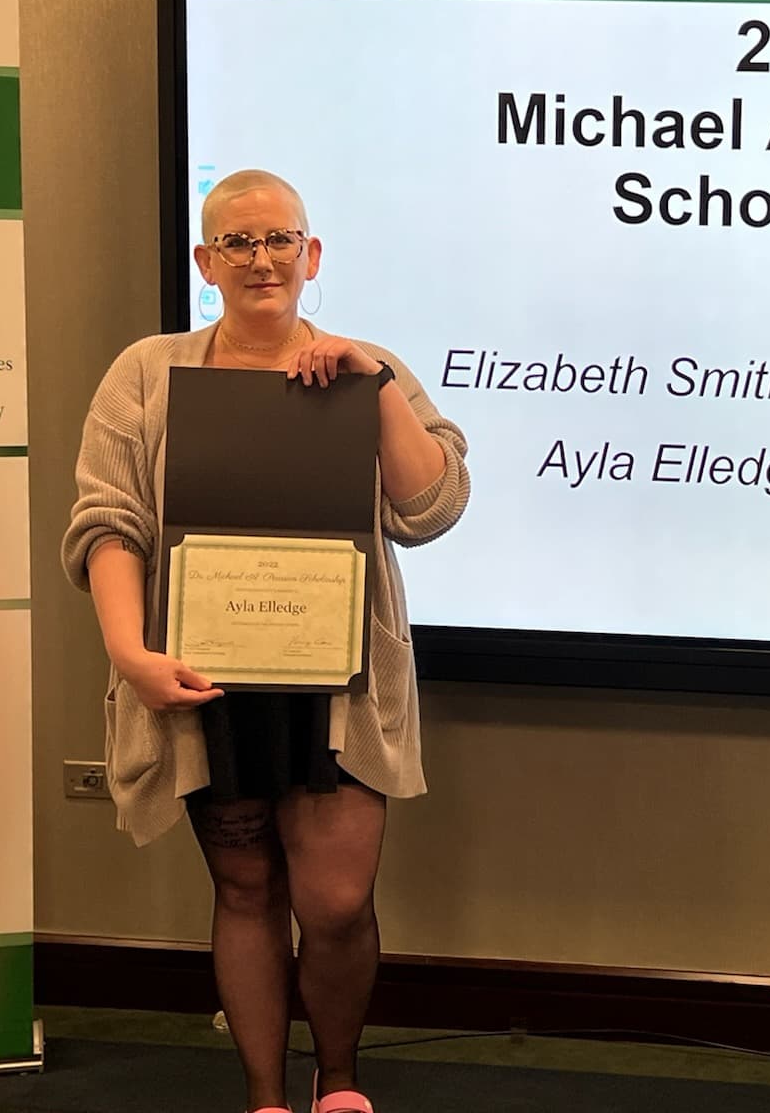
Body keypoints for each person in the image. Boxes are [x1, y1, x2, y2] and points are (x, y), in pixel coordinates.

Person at [61, 170, 469, 1113]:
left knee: (334, 904)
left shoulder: (366, 365)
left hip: (338, 686)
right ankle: (264, 1097)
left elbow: (431, 506)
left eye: (279, 239)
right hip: (204, 676)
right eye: (237, 244)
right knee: (245, 892)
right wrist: (131, 654)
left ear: (311, 254)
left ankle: (338, 1082)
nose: (261, 260)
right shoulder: (146, 372)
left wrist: (371, 389)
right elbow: (107, 522)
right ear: (207, 262)